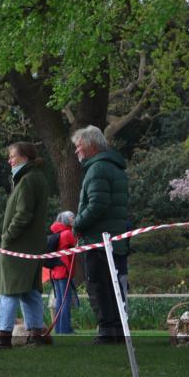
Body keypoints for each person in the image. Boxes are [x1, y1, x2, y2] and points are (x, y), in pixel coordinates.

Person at [72, 125, 130, 344]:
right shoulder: (115, 167)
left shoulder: (97, 169)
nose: (76, 151)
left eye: (79, 146)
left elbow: (98, 204)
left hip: (98, 240)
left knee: (98, 285)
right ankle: (117, 330)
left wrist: (78, 223)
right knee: (113, 287)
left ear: (92, 146)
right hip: (115, 240)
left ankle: (106, 331)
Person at [0, 142, 50, 348]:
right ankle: (36, 334)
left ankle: (3, 338)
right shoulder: (37, 177)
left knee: (9, 290)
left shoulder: (27, 180)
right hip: (33, 246)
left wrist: (7, 237)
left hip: (18, 246)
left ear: (25, 157)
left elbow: (23, 214)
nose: (10, 161)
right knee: (31, 291)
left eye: (13, 156)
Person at [47, 211, 78, 334]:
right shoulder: (67, 233)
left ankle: (59, 329)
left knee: (60, 300)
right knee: (66, 301)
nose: (74, 219)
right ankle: (65, 329)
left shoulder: (57, 233)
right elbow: (77, 243)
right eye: (72, 217)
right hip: (64, 270)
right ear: (66, 220)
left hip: (55, 271)